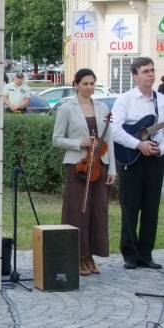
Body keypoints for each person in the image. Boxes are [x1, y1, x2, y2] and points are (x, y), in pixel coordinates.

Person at [52, 68, 116, 276]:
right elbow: (57, 139)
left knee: (97, 211)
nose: (89, 87)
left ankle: (90, 255)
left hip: (99, 165)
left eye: (92, 84)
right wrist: (79, 143)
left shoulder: (102, 108)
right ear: (76, 85)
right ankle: (77, 255)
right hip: (78, 165)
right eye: (85, 83)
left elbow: (108, 140)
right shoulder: (67, 108)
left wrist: (112, 169)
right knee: (77, 211)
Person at [111, 57, 164, 270]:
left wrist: (160, 148)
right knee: (130, 207)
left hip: (155, 159)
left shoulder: (161, 100)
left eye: (152, 70)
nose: (150, 74)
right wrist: (138, 144)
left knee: (151, 207)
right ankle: (130, 253)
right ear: (135, 76)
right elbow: (115, 130)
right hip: (131, 159)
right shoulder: (125, 100)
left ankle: (145, 254)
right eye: (145, 71)